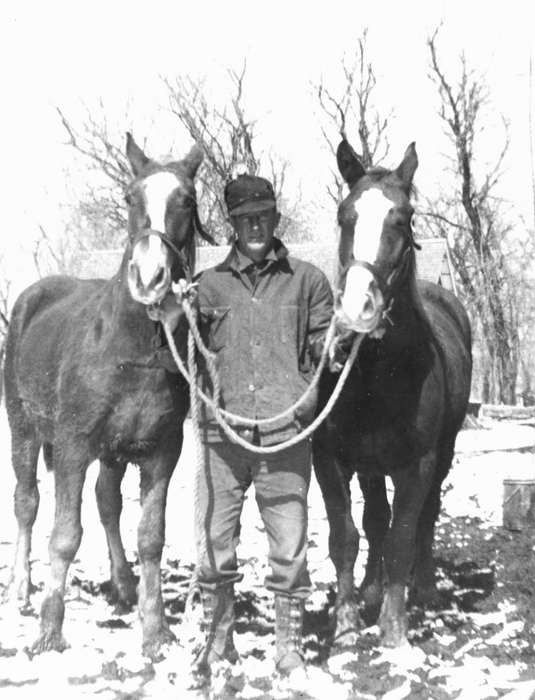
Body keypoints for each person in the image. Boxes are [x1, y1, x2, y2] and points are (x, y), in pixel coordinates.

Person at [189, 173, 334, 681]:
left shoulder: (309, 280)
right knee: (212, 543)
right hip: (220, 435)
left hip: (285, 433)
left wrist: (332, 345)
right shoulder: (206, 286)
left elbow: (321, 350)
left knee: (289, 548)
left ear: (275, 219)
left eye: (263, 217)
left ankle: (288, 645)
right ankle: (218, 637)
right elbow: (180, 355)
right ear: (232, 225)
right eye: (245, 219)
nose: (255, 226)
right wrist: (172, 314)